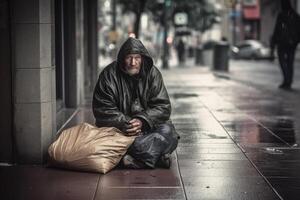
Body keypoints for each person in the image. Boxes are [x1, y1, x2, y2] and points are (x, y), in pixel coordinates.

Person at [92, 37, 179, 169]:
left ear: (142, 58)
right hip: (120, 130)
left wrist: (142, 120)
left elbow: (163, 106)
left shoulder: (153, 74)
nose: (133, 62)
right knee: (161, 140)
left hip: (148, 126)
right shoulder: (108, 75)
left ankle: (135, 159)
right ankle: (157, 156)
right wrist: (127, 123)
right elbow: (103, 108)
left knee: (169, 132)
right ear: (122, 58)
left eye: (137, 58)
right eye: (129, 58)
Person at [270, 0, 300, 89]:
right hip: (292, 43)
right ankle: (288, 80)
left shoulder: (282, 15)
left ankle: (286, 80)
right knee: (290, 62)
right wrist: (296, 41)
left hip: (282, 43)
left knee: (283, 62)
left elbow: (277, 30)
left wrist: (274, 42)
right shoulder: (295, 16)